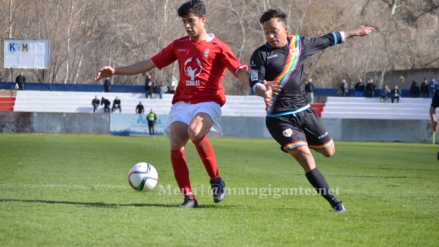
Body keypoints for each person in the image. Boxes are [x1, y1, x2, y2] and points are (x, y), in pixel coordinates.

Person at [94, 0, 265, 208]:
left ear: (203, 19)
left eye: (191, 21)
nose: (187, 25)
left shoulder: (219, 47)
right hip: (183, 101)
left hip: (209, 101)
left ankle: (216, 179)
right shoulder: (179, 45)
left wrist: (257, 84)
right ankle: (189, 198)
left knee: (194, 131)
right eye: (184, 21)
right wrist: (116, 71)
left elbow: (239, 72)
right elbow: (148, 63)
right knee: (175, 141)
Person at [249, 9, 374, 212]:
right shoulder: (260, 54)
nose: (270, 36)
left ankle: (305, 142)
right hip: (279, 118)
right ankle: (334, 202)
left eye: (273, 30)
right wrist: (264, 90)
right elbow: (255, 82)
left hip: (305, 113)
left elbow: (329, 39)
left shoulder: (300, 44)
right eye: (266, 32)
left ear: (285, 28)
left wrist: (354, 32)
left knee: (329, 152)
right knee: (306, 156)